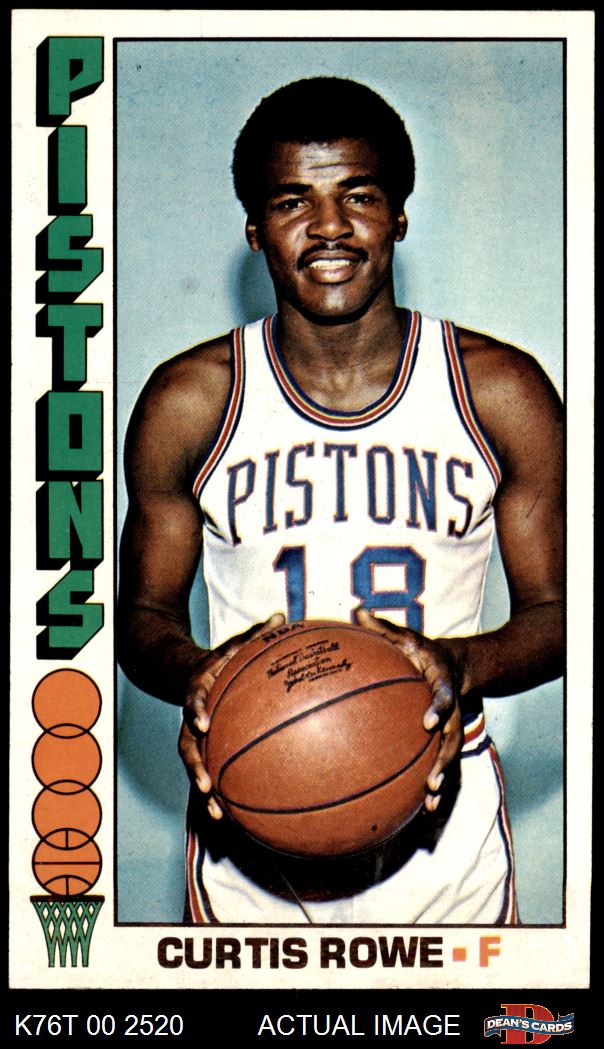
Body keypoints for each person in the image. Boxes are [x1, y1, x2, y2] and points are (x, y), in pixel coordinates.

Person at [117, 77, 563, 925]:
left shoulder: (499, 392)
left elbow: (563, 613)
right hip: (249, 819)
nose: (328, 227)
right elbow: (142, 613)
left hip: (444, 820)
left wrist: (461, 663)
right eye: (293, 201)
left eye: (358, 195)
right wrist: (198, 673)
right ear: (254, 228)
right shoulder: (191, 401)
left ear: (399, 214)